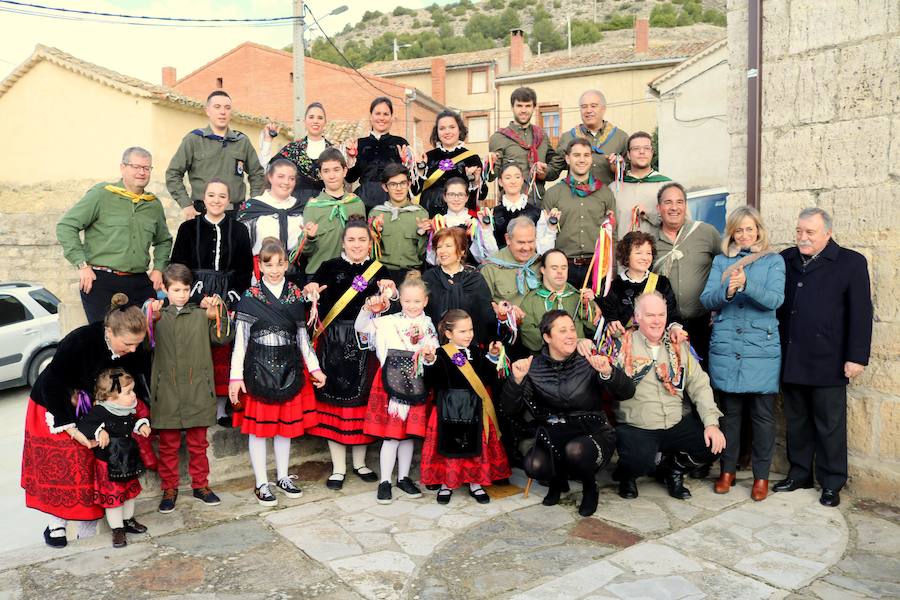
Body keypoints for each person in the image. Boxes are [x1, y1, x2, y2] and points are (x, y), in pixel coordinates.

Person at [22, 293, 150, 548]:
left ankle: (86, 529)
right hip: (54, 409)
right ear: (109, 332)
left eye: (137, 344)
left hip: (93, 412)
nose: (133, 350)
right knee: (63, 469)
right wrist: (71, 428)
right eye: (128, 344)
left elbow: (137, 378)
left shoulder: (132, 348)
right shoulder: (79, 341)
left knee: (91, 469)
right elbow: (52, 383)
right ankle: (55, 525)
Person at [774, 208, 872, 508]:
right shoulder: (786, 259)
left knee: (830, 425)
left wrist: (856, 357)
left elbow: (861, 313)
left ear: (827, 234)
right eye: (799, 231)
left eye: (810, 233)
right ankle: (800, 474)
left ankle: (831, 482)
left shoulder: (851, 263)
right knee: (797, 422)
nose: (802, 237)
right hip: (792, 355)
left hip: (829, 358)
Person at [501, 310, 635, 517]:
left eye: (572, 329)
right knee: (533, 464)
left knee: (576, 450)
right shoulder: (533, 367)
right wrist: (516, 381)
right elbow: (510, 409)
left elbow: (627, 392)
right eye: (562, 331)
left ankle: (590, 486)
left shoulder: (588, 360)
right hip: (555, 434)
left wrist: (608, 373)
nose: (571, 335)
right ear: (547, 337)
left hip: (593, 431)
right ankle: (556, 481)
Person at [228, 238, 326, 506]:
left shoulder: (295, 294)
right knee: (259, 431)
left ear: (286, 264)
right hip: (257, 370)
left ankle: (283, 476)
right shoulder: (250, 297)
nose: (274, 269)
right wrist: (235, 377)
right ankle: (261, 482)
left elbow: (303, 337)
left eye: (280, 264)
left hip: (290, 369)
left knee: (285, 430)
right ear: (260, 265)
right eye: (268, 264)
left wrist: (315, 368)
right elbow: (241, 341)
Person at [302, 219, 396, 490]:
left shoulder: (380, 270)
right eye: (351, 240)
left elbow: (391, 307)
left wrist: (388, 293)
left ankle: (360, 463)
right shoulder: (328, 267)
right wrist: (311, 291)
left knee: (362, 401)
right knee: (335, 400)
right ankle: (339, 467)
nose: (357, 245)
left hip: (365, 343)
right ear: (343, 242)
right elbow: (312, 295)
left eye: (362, 240)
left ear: (370, 243)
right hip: (334, 342)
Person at [700, 206, 784, 502]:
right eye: (739, 230)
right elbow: (706, 298)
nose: (745, 234)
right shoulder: (722, 261)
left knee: (762, 416)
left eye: (750, 229)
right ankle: (728, 470)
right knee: (730, 415)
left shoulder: (774, 261)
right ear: (731, 233)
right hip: (727, 348)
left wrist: (747, 285)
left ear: (759, 229)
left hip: (761, 349)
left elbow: (775, 299)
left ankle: (761, 476)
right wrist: (729, 292)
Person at [612, 292, 725, 500]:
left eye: (661, 315)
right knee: (641, 461)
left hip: (674, 422)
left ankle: (673, 469)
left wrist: (711, 424)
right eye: (650, 315)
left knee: (714, 443)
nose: (657, 321)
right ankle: (627, 474)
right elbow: (606, 380)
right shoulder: (622, 345)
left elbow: (699, 384)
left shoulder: (678, 345)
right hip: (638, 424)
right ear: (637, 317)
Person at [145, 264, 233, 513]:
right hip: (167, 391)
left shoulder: (199, 314)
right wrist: (148, 317)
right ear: (164, 289)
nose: (181, 295)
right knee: (168, 446)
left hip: (197, 388)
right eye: (176, 290)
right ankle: (169, 488)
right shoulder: (157, 316)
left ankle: (201, 485)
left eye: (185, 289)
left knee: (198, 444)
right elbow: (143, 346)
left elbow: (223, 338)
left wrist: (219, 312)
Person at [170, 179, 253, 426]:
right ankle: (193, 406)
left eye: (222, 196)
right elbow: (178, 266)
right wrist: (196, 296)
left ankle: (220, 408)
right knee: (193, 350)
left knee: (222, 350)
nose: (216, 200)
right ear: (203, 198)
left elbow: (244, 269)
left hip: (227, 293)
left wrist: (227, 300)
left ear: (228, 201)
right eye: (212, 195)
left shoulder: (238, 230)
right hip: (193, 291)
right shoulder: (188, 228)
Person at [57, 146, 172, 323]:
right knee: (105, 340)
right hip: (102, 281)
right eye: (136, 167)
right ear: (123, 168)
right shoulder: (101, 195)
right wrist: (82, 265)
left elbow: (164, 240)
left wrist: (158, 269)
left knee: (144, 339)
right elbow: (66, 226)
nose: (141, 172)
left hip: (139, 281)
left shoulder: (153, 205)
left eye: (146, 168)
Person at [355, 271, 438, 505]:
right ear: (400, 299)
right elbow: (361, 329)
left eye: (417, 301)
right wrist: (368, 309)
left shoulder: (428, 325)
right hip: (389, 382)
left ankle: (403, 478)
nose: (412, 306)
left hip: (416, 382)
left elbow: (432, 356)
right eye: (407, 300)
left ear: (426, 301)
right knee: (391, 438)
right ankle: (384, 481)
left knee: (409, 436)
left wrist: (430, 355)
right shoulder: (387, 321)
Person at [421, 310, 510, 504]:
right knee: (449, 446)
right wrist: (429, 361)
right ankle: (447, 484)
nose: (469, 334)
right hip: (448, 408)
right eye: (462, 331)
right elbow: (433, 380)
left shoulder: (476, 351)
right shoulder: (442, 353)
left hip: (474, 408)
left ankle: (475, 483)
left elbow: (485, 376)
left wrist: (493, 356)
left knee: (475, 446)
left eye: (470, 330)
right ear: (449, 333)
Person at [77, 368, 151, 548]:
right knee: (114, 499)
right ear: (111, 398)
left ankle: (128, 521)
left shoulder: (126, 409)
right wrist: (99, 431)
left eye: (133, 391)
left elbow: (132, 422)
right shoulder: (100, 412)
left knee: (129, 495)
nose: (134, 395)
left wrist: (140, 425)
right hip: (109, 464)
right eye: (128, 392)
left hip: (128, 459)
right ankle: (117, 529)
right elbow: (83, 426)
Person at [166, 90, 266, 218]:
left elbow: (257, 173)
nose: (222, 112)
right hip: (202, 212)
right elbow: (173, 173)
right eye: (217, 107)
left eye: (227, 108)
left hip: (235, 215)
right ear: (208, 111)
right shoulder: (194, 140)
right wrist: (186, 204)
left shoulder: (242, 141)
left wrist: (254, 203)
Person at [652, 182, 721, 364]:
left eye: (679, 202)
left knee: (702, 378)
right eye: (668, 202)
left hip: (703, 322)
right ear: (659, 208)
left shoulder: (706, 233)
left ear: (685, 206)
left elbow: (725, 267)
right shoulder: (649, 240)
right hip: (664, 325)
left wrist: (718, 309)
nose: (674, 207)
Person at [542, 138, 617, 287]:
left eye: (586, 155)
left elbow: (612, 234)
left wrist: (612, 269)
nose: (582, 160)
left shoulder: (605, 193)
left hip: (596, 267)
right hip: (563, 268)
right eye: (576, 155)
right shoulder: (553, 194)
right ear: (568, 159)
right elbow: (544, 235)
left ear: (591, 158)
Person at [236, 158, 318, 285]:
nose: (286, 182)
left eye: (291, 178)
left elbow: (307, 249)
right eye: (281, 176)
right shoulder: (252, 207)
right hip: (260, 275)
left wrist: (309, 237)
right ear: (270, 177)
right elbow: (240, 247)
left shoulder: (302, 208)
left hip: (294, 275)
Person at [423, 227, 497, 347]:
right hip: (435, 349)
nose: (442, 251)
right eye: (439, 247)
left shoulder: (475, 280)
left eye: (448, 246)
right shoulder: (429, 278)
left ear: (462, 251)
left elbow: (486, 318)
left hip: (470, 348)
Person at [600, 232, 681, 335]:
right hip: (627, 344)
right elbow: (610, 318)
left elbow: (672, 313)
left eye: (648, 253)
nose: (645, 258)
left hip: (656, 342)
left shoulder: (662, 283)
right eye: (639, 253)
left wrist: (675, 328)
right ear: (626, 256)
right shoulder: (614, 286)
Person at [488, 87, 559, 205]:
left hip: (539, 204)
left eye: (528, 106)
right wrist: (490, 164)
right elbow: (491, 177)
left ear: (534, 107)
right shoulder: (499, 137)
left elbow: (554, 169)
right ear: (512, 107)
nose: (523, 110)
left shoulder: (542, 136)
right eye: (519, 106)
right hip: (511, 207)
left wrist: (546, 172)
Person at [518, 249, 598, 353]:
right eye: (554, 268)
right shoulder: (530, 301)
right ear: (543, 270)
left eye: (563, 267)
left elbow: (592, 331)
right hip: (545, 363)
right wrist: (565, 344)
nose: (560, 272)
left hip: (578, 361)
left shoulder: (578, 297)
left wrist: (586, 306)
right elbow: (530, 339)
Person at [302, 147, 367, 275]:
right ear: (320, 174)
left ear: (345, 171)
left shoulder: (356, 203)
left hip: (353, 274)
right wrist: (309, 237)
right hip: (319, 275)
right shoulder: (313, 207)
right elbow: (306, 251)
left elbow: (364, 243)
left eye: (336, 170)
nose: (332, 176)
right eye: (326, 171)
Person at [412, 110, 486, 217]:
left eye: (452, 127)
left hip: (460, 217)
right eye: (442, 128)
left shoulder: (472, 158)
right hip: (430, 216)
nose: (447, 132)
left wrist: (476, 181)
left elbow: (481, 196)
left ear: (459, 129)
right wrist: (420, 172)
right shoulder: (427, 157)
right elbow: (414, 191)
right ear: (436, 132)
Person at [346, 97, 412, 211]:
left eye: (386, 114)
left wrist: (407, 163)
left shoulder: (401, 143)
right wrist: (351, 159)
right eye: (378, 113)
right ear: (371, 117)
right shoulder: (360, 143)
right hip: (364, 203)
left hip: (394, 203)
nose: (381, 118)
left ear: (391, 117)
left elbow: (409, 179)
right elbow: (350, 178)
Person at [550, 90, 628, 186]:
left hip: (609, 198)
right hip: (576, 198)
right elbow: (554, 171)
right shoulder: (568, 137)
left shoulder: (620, 137)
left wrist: (618, 168)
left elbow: (630, 173)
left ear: (603, 109)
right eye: (584, 107)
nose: (588, 110)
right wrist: (542, 170)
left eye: (593, 106)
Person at [267, 102, 336, 208]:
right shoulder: (292, 149)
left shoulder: (332, 152)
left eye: (320, 118)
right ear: (305, 121)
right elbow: (270, 167)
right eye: (311, 117)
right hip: (296, 207)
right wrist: (268, 140)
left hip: (326, 206)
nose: (315, 121)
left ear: (325, 122)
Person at [369, 163, 430, 283]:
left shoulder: (420, 214)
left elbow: (424, 252)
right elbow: (371, 250)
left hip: (412, 273)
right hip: (383, 273)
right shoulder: (376, 213)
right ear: (385, 187)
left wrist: (423, 233)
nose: (399, 188)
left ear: (409, 184)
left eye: (403, 183)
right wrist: (375, 232)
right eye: (393, 184)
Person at [423, 178, 497, 266]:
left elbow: (493, 255)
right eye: (451, 194)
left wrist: (484, 230)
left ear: (467, 197)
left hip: (472, 275)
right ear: (445, 197)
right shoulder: (438, 223)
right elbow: (431, 260)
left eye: (461, 194)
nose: (456, 199)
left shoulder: (477, 222)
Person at [486, 163, 557, 254]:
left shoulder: (537, 213)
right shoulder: (492, 213)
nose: (513, 181)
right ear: (500, 182)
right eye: (508, 178)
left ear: (522, 180)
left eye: (517, 177)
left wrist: (551, 229)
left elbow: (543, 251)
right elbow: (488, 252)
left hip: (529, 265)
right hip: (500, 265)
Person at [613, 131, 671, 238]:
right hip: (623, 252)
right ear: (629, 155)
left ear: (652, 153)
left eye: (646, 148)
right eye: (636, 148)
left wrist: (648, 214)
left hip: (657, 252)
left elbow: (680, 223)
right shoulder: (615, 188)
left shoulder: (667, 187)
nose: (642, 152)